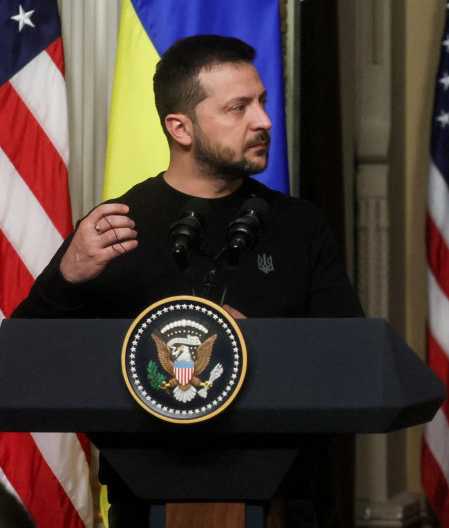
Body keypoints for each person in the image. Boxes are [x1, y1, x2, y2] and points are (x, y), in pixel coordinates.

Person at [14, 34, 363, 526]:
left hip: (283, 501)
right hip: (144, 498)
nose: (263, 120)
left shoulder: (299, 226)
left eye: (261, 102)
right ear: (181, 127)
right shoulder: (116, 227)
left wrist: (260, 345)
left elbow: (350, 362)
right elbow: (20, 365)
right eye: (238, 108)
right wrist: (67, 278)